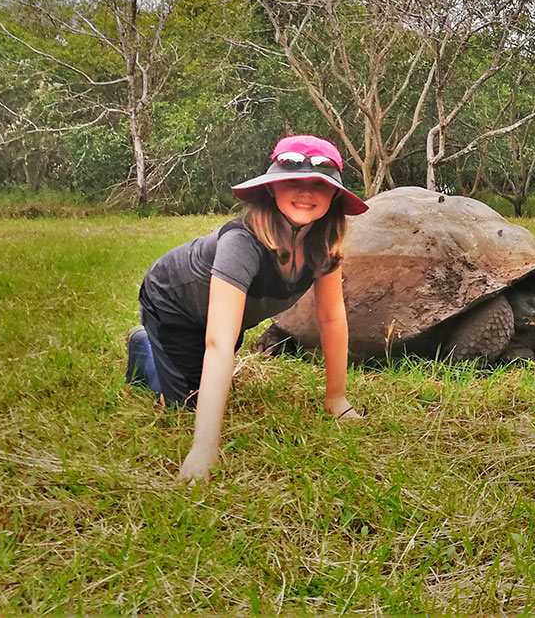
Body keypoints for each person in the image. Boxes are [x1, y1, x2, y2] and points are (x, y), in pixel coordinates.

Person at [125, 134, 369, 482]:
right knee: (185, 405)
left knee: (206, 379)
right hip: (173, 304)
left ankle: (165, 357)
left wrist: (337, 399)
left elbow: (331, 318)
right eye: (293, 181)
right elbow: (219, 344)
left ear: (334, 194)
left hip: (223, 313)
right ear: (271, 188)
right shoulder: (242, 242)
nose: (306, 192)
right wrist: (204, 449)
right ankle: (145, 348)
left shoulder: (323, 245)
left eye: (319, 183)